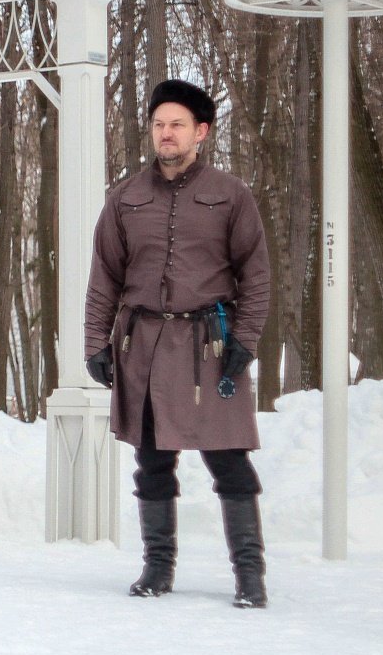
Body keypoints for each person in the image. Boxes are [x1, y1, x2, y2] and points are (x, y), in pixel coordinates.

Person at [84, 79, 271, 608]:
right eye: (159, 124)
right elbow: (105, 278)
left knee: (230, 461)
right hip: (142, 343)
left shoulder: (231, 196)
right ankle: (157, 567)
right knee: (152, 461)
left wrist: (246, 339)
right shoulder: (124, 199)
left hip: (209, 345)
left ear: (201, 133)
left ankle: (250, 575)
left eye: (177, 125)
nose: (166, 134)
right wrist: (96, 342)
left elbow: (255, 276)